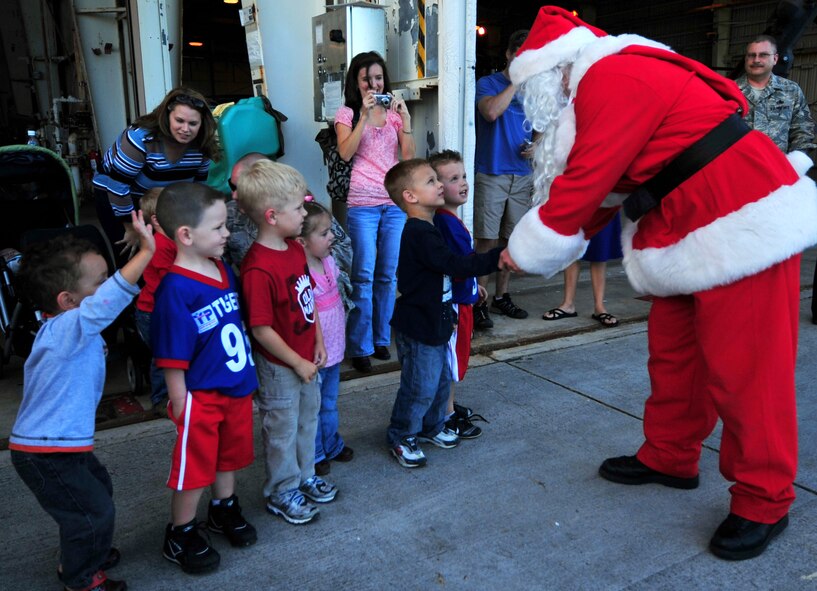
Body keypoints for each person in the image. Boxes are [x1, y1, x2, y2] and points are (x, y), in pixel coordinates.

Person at [502, 7, 817, 561]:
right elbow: (608, 190)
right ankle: (670, 454)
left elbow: (588, 181)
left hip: (740, 214)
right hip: (682, 222)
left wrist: (531, 246)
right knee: (675, 353)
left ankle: (764, 500)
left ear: (556, 70)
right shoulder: (608, 79)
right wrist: (536, 247)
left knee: (749, 370)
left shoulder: (613, 77)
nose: (535, 103)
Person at [10, 212, 155, 591]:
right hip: (45, 451)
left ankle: (85, 549)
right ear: (68, 300)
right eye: (100, 282)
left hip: (59, 446)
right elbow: (104, 305)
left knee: (94, 496)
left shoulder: (65, 327)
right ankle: (81, 577)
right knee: (91, 511)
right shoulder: (64, 328)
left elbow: (100, 305)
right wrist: (146, 252)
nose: (108, 286)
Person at [151, 182, 258, 574]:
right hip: (201, 394)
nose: (226, 233)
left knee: (227, 456)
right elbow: (172, 355)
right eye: (217, 227)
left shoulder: (221, 268)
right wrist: (179, 399)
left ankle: (223, 508)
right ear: (186, 234)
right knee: (194, 467)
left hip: (234, 386)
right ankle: (180, 532)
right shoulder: (175, 288)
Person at [237, 160, 338, 525]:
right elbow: (261, 329)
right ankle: (282, 490)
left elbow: (306, 298)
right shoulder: (258, 267)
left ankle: (305, 475)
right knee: (281, 428)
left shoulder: (295, 249)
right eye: (298, 207)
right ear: (272, 216)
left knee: (307, 419)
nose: (304, 211)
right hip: (280, 367)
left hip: (305, 357)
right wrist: (296, 362)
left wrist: (318, 339)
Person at [384, 159, 501, 468]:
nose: (439, 185)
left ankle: (432, 426)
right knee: (419, 385)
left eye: (438, 179)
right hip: (420, 324)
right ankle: (401, 434)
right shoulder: (419, 233)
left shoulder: (430, 227)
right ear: (410, 196)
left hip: (436, 320)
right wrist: (498, 258)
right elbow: (454, 265)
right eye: (431, 181)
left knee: (437, 380)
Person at [335, 51, 415, 373]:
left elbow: (407, 161)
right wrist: (364, 117)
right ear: (356, 82)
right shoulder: (346, 113)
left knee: (387, 275)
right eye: (367, 79)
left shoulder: (394, 115)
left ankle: (382, 339)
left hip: (393, 204)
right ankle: (360, 345)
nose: (374, 84)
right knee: (363, 276)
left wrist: (406, 122)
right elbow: (345, 153)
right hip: (362, 206)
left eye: (378, 78)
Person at [93, 87, 219, 268]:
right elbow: (118, 185)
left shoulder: (202, 146)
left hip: (161, 196)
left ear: (202, 124)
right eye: (179, 121)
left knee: (170, 252)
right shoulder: (140, 138)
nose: (185, 129)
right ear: (167, 117)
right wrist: (130, 227)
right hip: (118, 194)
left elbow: (196, 191)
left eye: (193, 124)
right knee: (133, 255)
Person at [472, 30, 533, 330]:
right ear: (509, 55)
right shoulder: (488, 83)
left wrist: (538, 145)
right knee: (486, 239)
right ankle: (477, 300)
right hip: (492, 171)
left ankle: (502, 295)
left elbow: (543, 126)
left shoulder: (535, 91)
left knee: (513, 239)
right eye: (519, 54)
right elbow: (492, 112)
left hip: (522, 174)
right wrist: (517, 82)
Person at [429, 150, 489, 438]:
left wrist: (476, 286)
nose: (463, 183)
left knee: (453, 359)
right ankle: (447, 414)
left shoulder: (449, 219)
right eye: (454, 179)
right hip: (454, 305)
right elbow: (459, 266)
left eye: (464, 176)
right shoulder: (445, 223)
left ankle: (446, 406)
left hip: (461, 300)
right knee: (451, 361)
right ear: (439, 188)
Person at [296, 201, 355, 476]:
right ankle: (316, 453)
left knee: (329, 403)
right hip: (316, 355)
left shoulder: (329, 262)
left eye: (330, 231)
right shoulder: (301, 274)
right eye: (323, 234)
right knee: (313, 408)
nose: (332, 237)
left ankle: (331, 444)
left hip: (335, 350)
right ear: (302, 242)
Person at [735, 35, 815, 155]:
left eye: (763, 55)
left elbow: (803, 130)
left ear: (775, 59)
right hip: (738, 167)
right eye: (751, 55)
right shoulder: (729, 90)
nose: (756, 60)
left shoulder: (790, 90)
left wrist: (796, 161)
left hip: (777, 168)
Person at [133, 187, 176, 409]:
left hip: (168, 308)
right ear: (158, 220)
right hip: (153, 311)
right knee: (163, 354)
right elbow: (173, 280)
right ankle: (160, 398)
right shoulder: (160, 244)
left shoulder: (173, 239)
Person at [542, 213, 622, 327]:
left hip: (604, 201)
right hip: (577, 198)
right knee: (572, 247)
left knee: (600, 249)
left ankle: (599, 307)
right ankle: (568, 304)